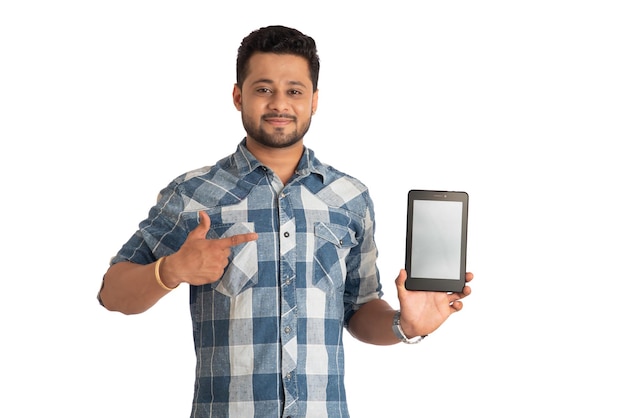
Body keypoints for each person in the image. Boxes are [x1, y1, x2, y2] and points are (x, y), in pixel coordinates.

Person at [98, 25, 473, 418]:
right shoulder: (193, 193)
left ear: (314, 100)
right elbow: (112, 293)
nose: (279, 103)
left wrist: (406, 325)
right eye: (263, 89)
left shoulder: (350, 197)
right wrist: (170, 269)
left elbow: (359, 311)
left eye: (294, 91)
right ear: (238, 96)